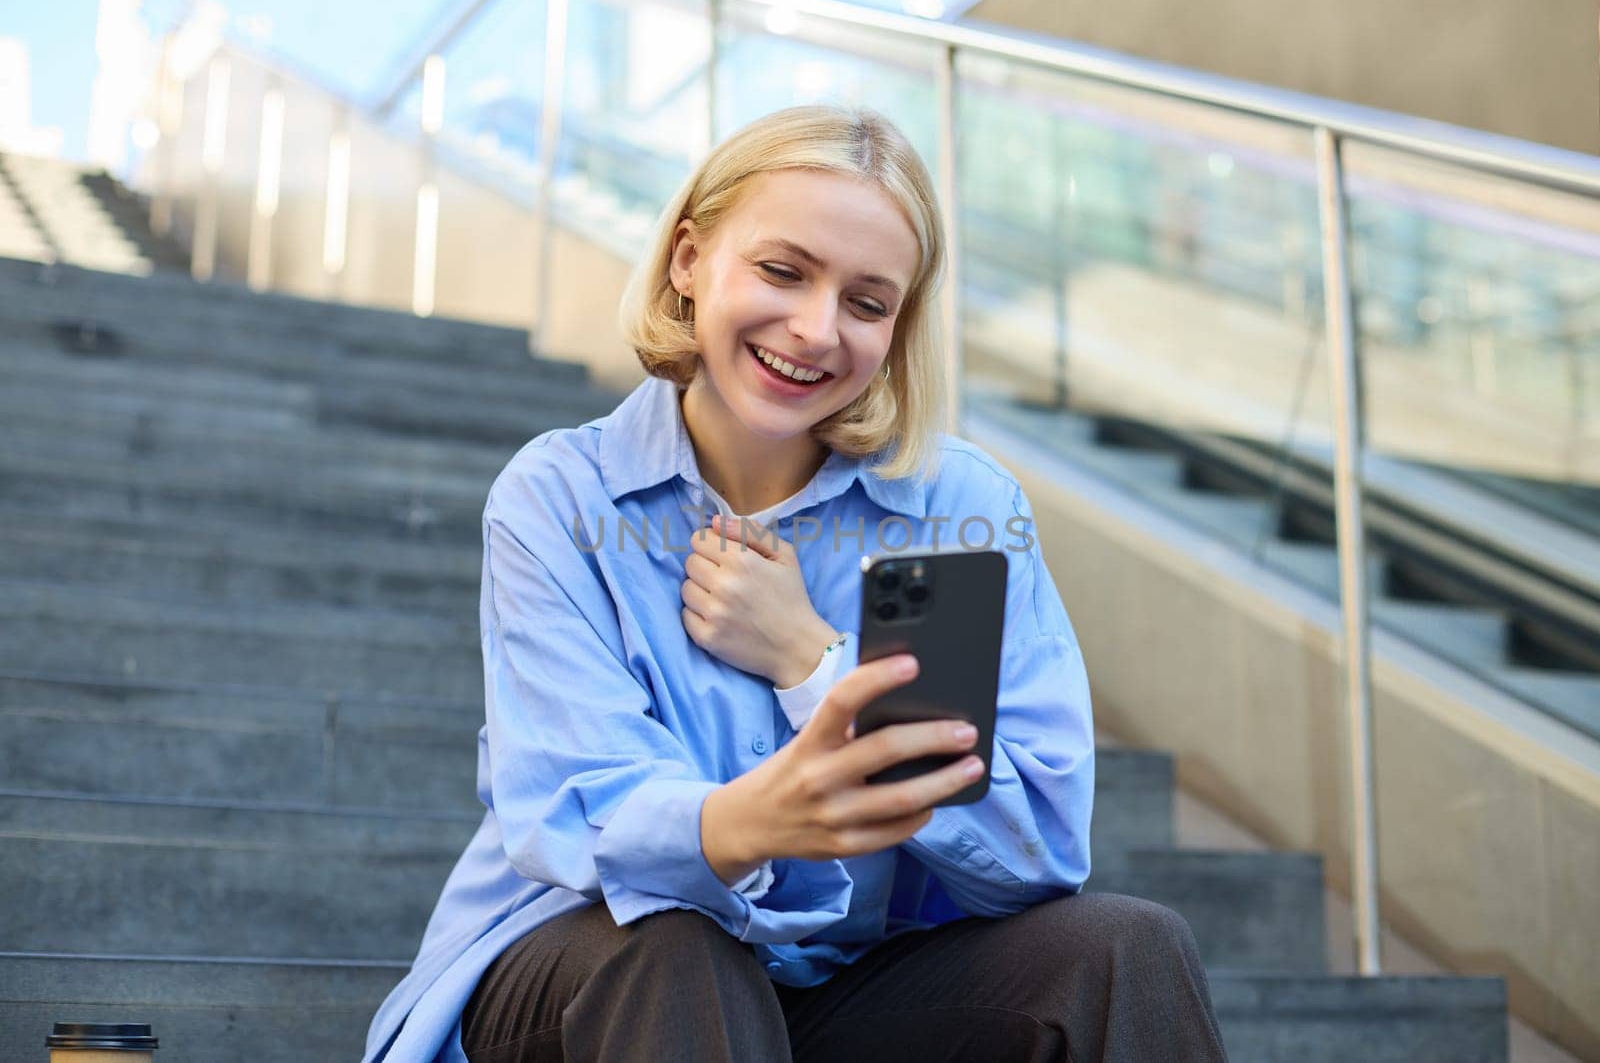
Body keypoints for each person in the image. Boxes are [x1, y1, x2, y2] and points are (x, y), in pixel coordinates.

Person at [363, 105, 1227, 1063]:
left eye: (867, 302)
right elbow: (577, 805)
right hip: (591, 976)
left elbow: (1034, 850)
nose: (816, 330)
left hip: (838, 994)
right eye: (782, 271)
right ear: (689, 260)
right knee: (682, 945)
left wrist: (812, 661)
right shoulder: (567, 498)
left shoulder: (941, 518)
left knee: (1125, 947)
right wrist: (753, 819)